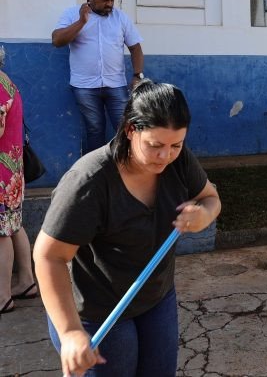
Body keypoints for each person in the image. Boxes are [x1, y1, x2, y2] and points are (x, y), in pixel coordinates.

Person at [33, 81, 221, 377]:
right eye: (155, 145)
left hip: (155, 298)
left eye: (176, 145)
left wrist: (204, 216)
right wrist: (70, 332)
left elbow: (210, 198)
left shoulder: (178, 160)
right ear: (130, 129)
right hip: (98, 311)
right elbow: (49, 257)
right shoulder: (88, 182)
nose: (166, 156)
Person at [53, 0, 145, 153]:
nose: (109, 4)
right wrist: (82, 21)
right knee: (94, 130)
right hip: (84, 86)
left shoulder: (120, 18)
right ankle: (96, 172)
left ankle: (125, 168)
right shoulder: (72, 14)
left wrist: (137, 75)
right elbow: (57, 40)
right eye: (104, 0)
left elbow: (135, 48)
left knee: (126, 129)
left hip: (116, 84)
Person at [0, 46, 39, 315]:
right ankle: (26, 281)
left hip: (2, 172)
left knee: (1, 232)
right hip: (11, 169)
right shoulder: (7, 81)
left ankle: (2, 296)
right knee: (13, 225)